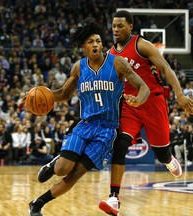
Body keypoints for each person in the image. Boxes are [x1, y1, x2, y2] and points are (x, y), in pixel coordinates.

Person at [28, 21, 150, 216]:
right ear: (84, 46)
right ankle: (54, 163)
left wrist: (138, 100)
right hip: (85, 125)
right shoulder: (79, 68)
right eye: (91, 41)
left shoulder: (117, 63)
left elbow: (144, 87)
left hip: (107, 131)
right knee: (62, 169)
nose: (95, 44)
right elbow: (64, 93)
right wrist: (40, 96)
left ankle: (37, 204)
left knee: (74, 176)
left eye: (98, 41)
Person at [99, 10, 193, 216]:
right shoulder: (110, 55)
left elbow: (166, 68)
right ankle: (114, 197)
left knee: (161, 153)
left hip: (153, 101)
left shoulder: (141, 45)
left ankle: (169, 159)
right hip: (129, 105)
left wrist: (179, 94)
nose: (116, 29)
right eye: (114, 26)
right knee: (120, 144)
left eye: (120, 26)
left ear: (130, 27)